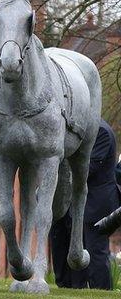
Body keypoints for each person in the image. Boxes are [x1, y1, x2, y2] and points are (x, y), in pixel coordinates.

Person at [51, 119, 120, 289]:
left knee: (96, 250)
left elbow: (90, 168)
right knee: (81, 246)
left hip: (98, 201)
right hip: (86, 201)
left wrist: (66, 175)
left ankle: (102, 290)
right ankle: (77, 286)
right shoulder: (87, 130)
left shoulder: (101, 131)